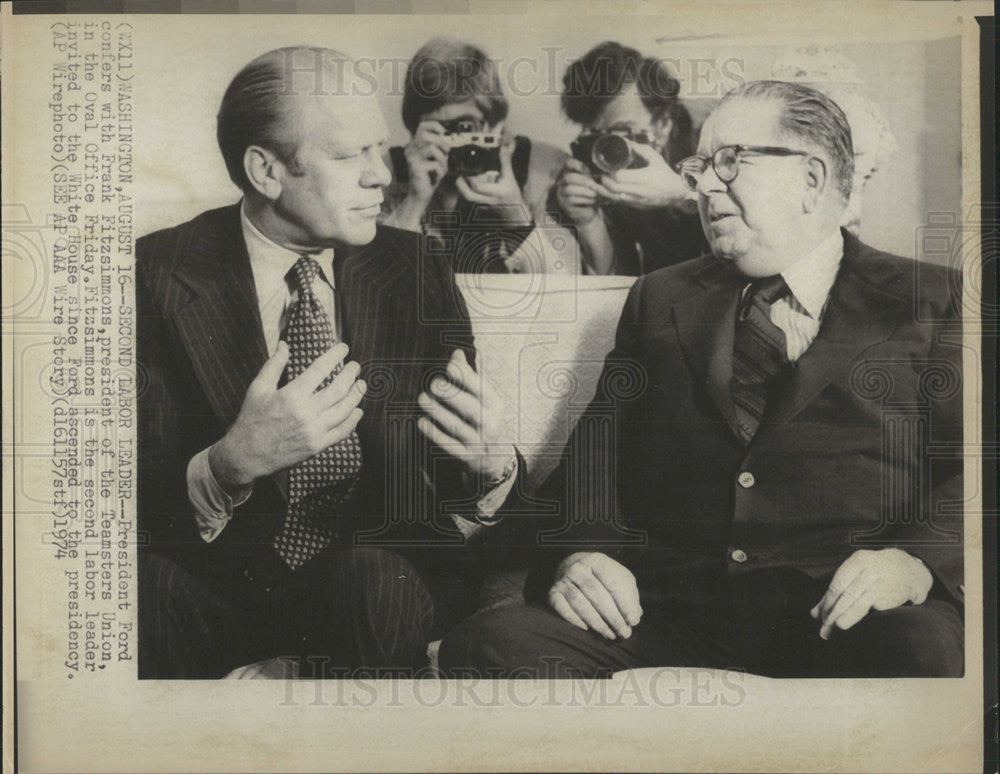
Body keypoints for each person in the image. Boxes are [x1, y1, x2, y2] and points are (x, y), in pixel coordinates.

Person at [440, 80, 964, 678]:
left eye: (729, 163)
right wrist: (583, 552)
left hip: (844, 615)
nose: (703, 185)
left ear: (812, 179)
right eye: (699, 167)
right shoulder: (661, 297)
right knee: (491, 644)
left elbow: (979, 468)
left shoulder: (933, 300)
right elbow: (596, 459)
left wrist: (912, 560)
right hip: (670, 616)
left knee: (924, 651)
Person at [136, 47, 523, 679]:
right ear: (266, 170)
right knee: (148, 585)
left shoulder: (417, 271)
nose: (380, 176)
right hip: (213, 587)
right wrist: (229, 464)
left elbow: (456, 483)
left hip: (371, 586)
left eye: (379, 149)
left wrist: (491, 467)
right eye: (349, 156)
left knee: (376, 579)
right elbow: (97, 497)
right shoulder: (152, 275)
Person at [380, 38, 563, 274]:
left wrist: (516, 215)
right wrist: (414, 201)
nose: (455, 142)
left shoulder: (539, 168)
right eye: (441, 130)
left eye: (465, 128)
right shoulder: (386, 174)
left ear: (496, 125)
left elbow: (567, 291)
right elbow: (373, 287)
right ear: (416, 129)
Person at [551, 41, 709, 275]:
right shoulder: (598, 160)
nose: (608, 146)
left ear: (663, 124)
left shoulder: (711, 141)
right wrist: (588, 222)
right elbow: (620, 284)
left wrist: (683, 194)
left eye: (622, 131)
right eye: (595, 134)